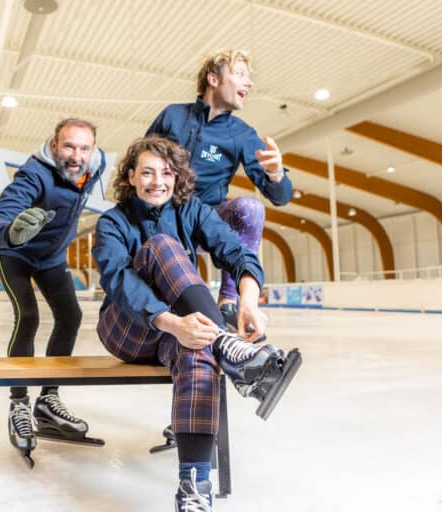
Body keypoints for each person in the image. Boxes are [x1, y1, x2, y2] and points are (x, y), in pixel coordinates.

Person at [92, 136, 300, 511]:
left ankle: (194, 487)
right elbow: (118, 283)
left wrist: (249, 301)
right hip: (127, 329)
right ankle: (229, 347)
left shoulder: (193, 210)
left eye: (167, 173)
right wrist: (172, 322)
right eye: (148, 172)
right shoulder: (113, 222)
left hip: (182, 329)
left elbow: (237, 253)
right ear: (131, 176)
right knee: (161, 246)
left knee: (197, 349)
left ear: (178, 177)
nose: (158, 181)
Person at [0, 118, 106, 467]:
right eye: (68, 146)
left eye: (83, 148)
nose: (76, 156)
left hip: (51, 256)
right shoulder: (34, 174)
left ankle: (48, 399)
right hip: (14, 253)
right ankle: (19, 403)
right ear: (53, 145)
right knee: (28, 315)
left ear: (93, 151)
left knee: (71, 316)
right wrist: (11, 233)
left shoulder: (97, 164)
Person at [146, 49, 293, 327]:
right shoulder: (172, 116)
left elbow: (280, 197)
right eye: (239, 75)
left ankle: (229, 300)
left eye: (248, 78)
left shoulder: (242, 134)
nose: (248, 83)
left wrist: (275, 174)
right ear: (213, 79)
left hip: (207, 221)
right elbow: (142, 163)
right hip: (163, 221)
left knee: (250, 208)